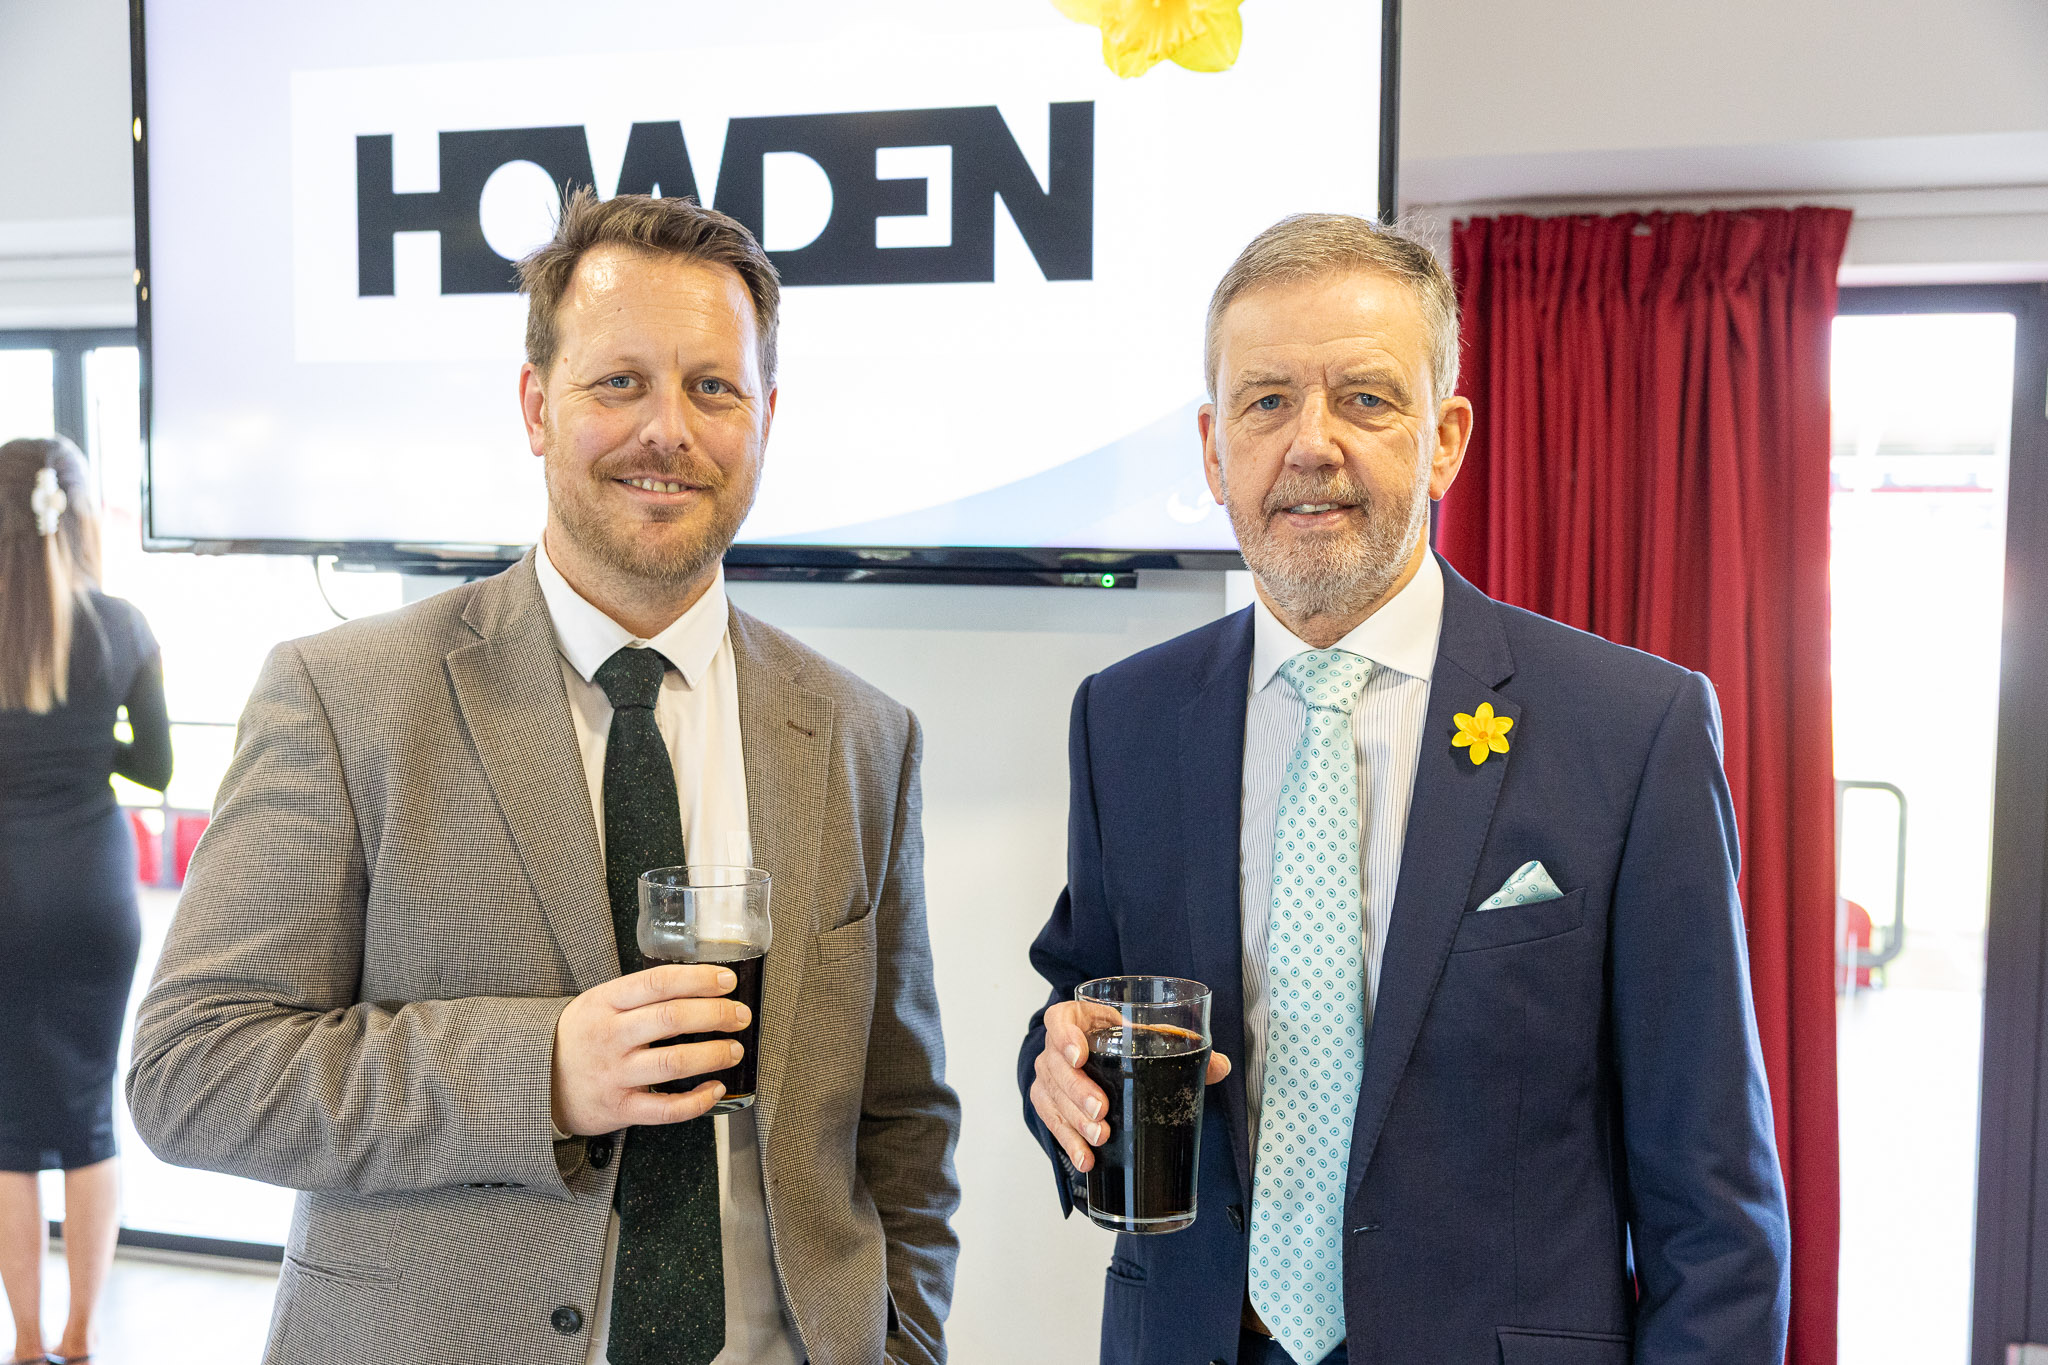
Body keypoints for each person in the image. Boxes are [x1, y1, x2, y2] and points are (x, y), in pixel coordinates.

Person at [127, 190, 961, 1365]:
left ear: (765, 417)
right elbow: (190, 1074)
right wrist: (541, 1075)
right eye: (618, 382)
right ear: (535, 404)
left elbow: (900, 1119)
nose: (667, 429)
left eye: (712, 388)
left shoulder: (862, 736)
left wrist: (904, 1342)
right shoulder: (345, 698)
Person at [1019, 214, 1790, 1365]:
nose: (1309, 444)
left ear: (1444, 440)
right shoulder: (1123, 720)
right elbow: (1084, 1008)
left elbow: (1715, 1211)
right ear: (1213, 449)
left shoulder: (1632, 729)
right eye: (1265, 401)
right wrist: (1055, 1072)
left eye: (1364, 399)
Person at [0, 435, 173, 1365]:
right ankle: (80, 1334)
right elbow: (158, 767)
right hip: (93, 891)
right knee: (87, 1113)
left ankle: (26, 1342)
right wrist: (86, 743)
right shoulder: (122, 623)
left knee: (7, 1131)